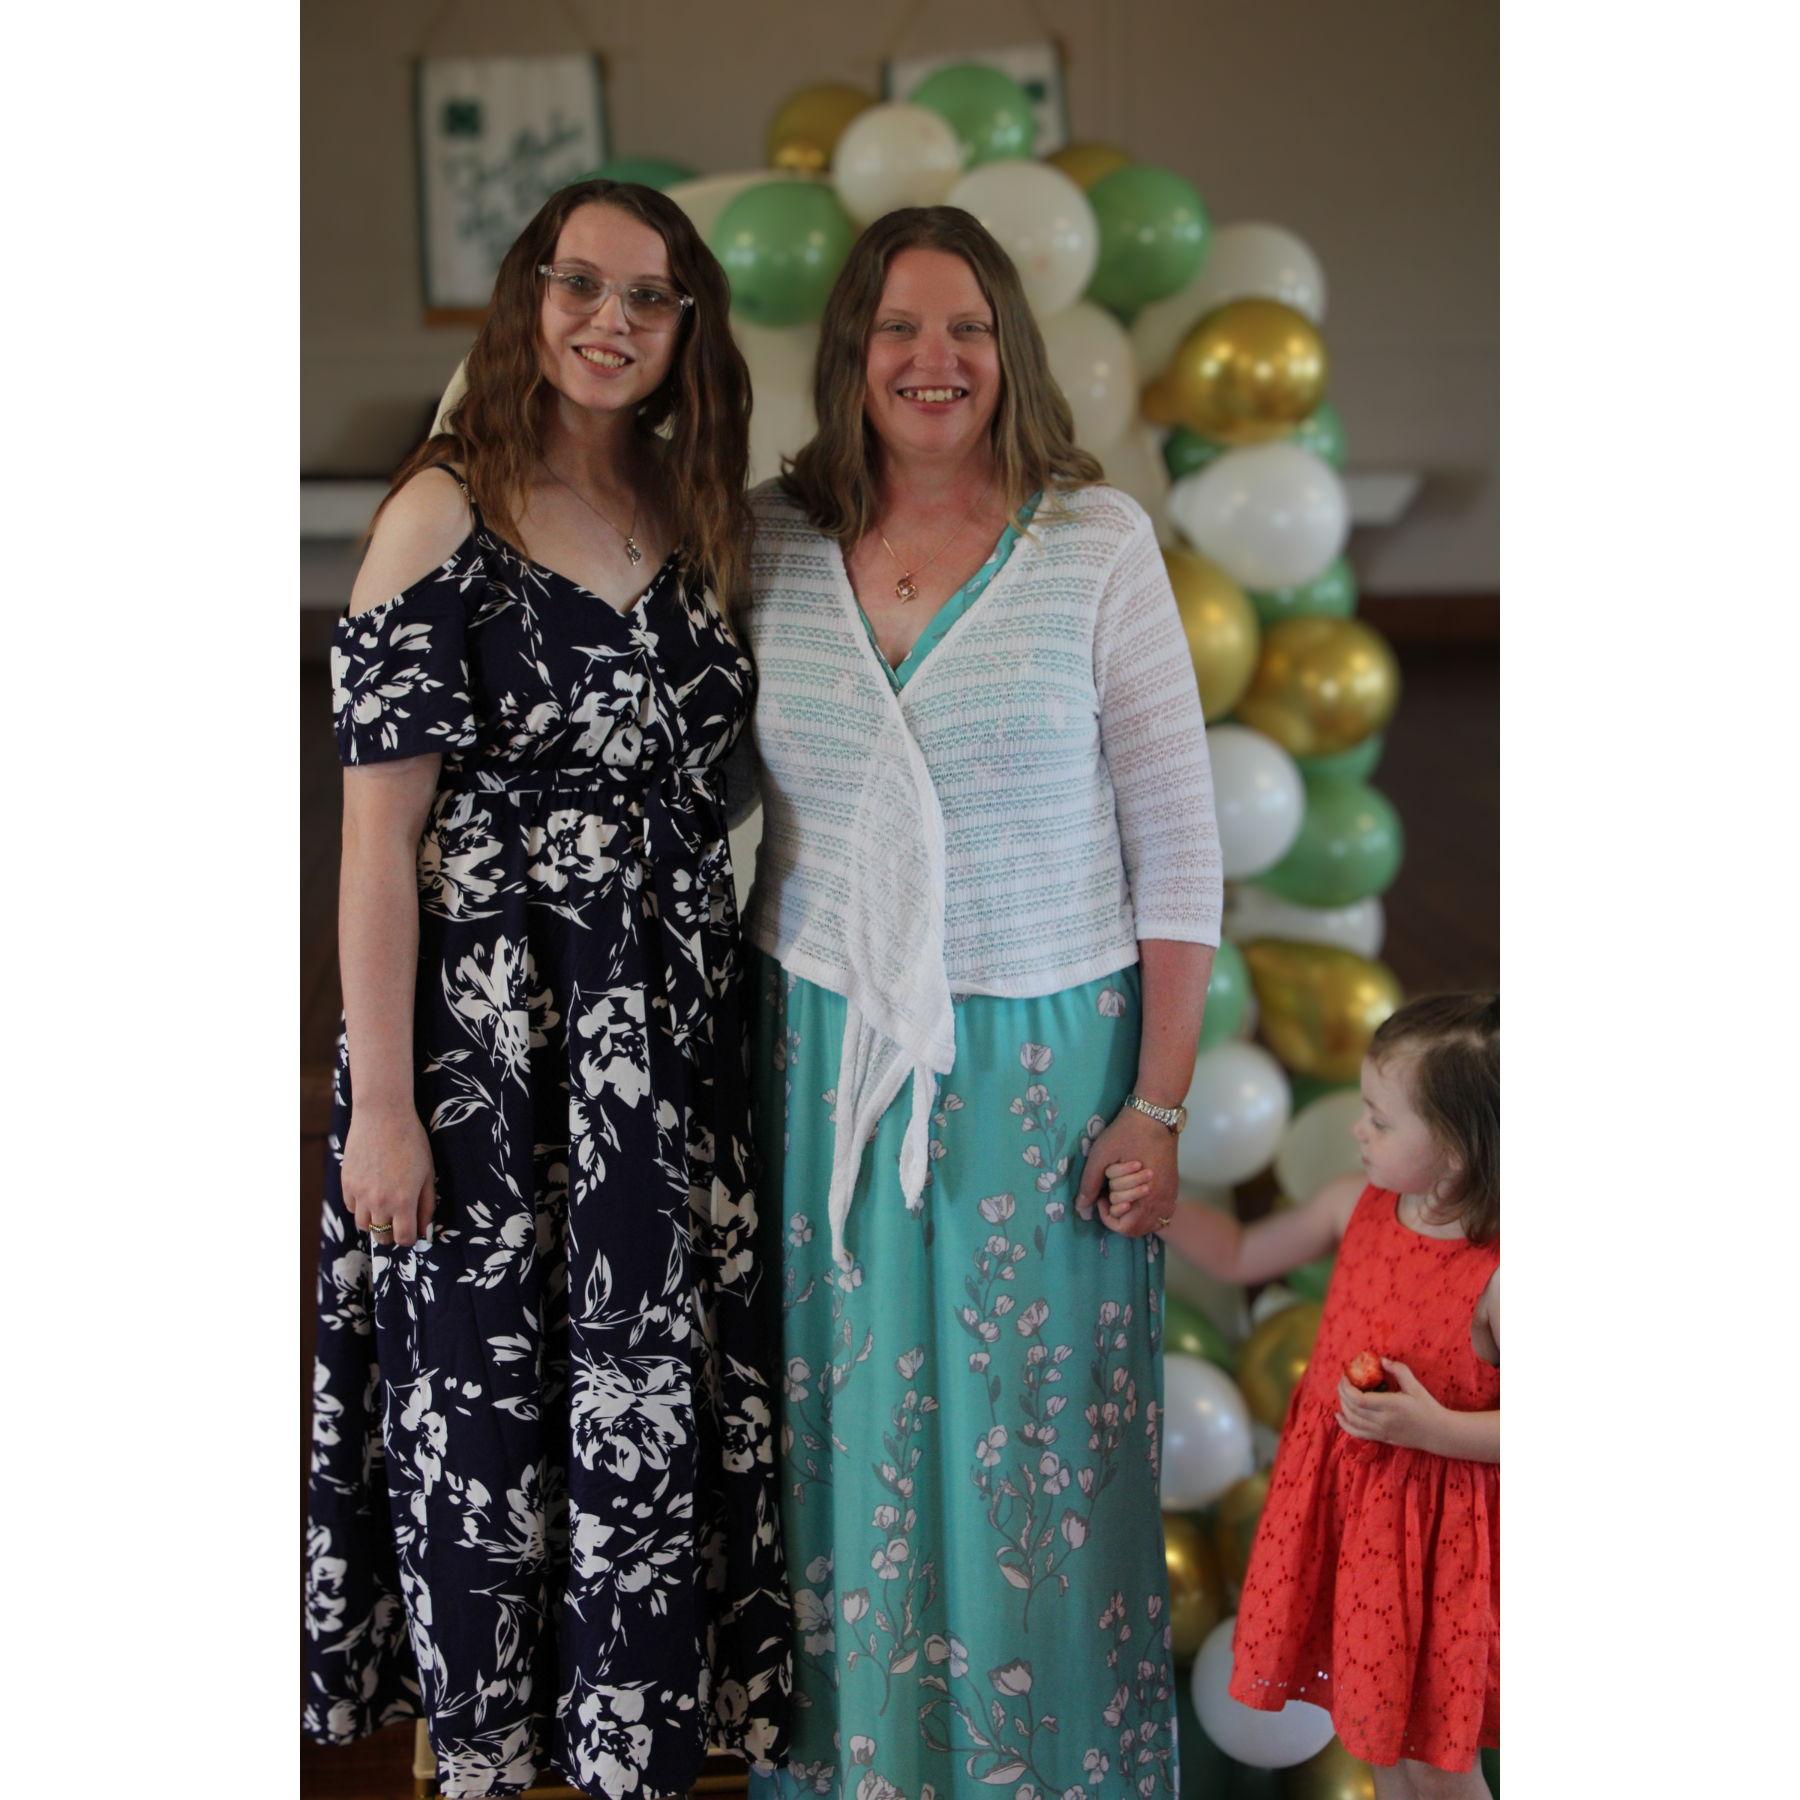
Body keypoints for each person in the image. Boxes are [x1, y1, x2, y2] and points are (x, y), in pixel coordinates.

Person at [303, 179, 790, 1800]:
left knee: (645, 1415)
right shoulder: (445, 508)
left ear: (684, 333)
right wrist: (381, 1105)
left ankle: (638, 1750)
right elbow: (378, 842)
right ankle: (489, 1766)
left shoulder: (693, 503)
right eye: (579, 283)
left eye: (648, 298)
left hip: (662, 1046)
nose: (609, 320)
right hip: (486, 1066)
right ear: (527, 296)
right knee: (492, 1446)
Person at [727, 206, 1222, 1799]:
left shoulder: (1094, 543)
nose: (933, 361)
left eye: (966, 329)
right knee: (843, 1438)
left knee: (1034, 1439)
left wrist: (1157, 1100)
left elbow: (1181, 845)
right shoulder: (767, 539)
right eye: (897, 330)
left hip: (1044, 1059)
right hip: (818, 1060)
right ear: (848, 352)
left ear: (1010, 347)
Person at [1112, 993, 1499, 1799]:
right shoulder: (1351, 1205)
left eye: (1381, 1120)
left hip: (1439, 1549)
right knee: (1380, 1743)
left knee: (1437, 1757)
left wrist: (1432, 1428)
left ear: (1459, 1153)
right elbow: (1241, 1251)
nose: (1359, 1130)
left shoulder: (1499, 1275)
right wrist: (1156, 1199)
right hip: (1353, 1522)